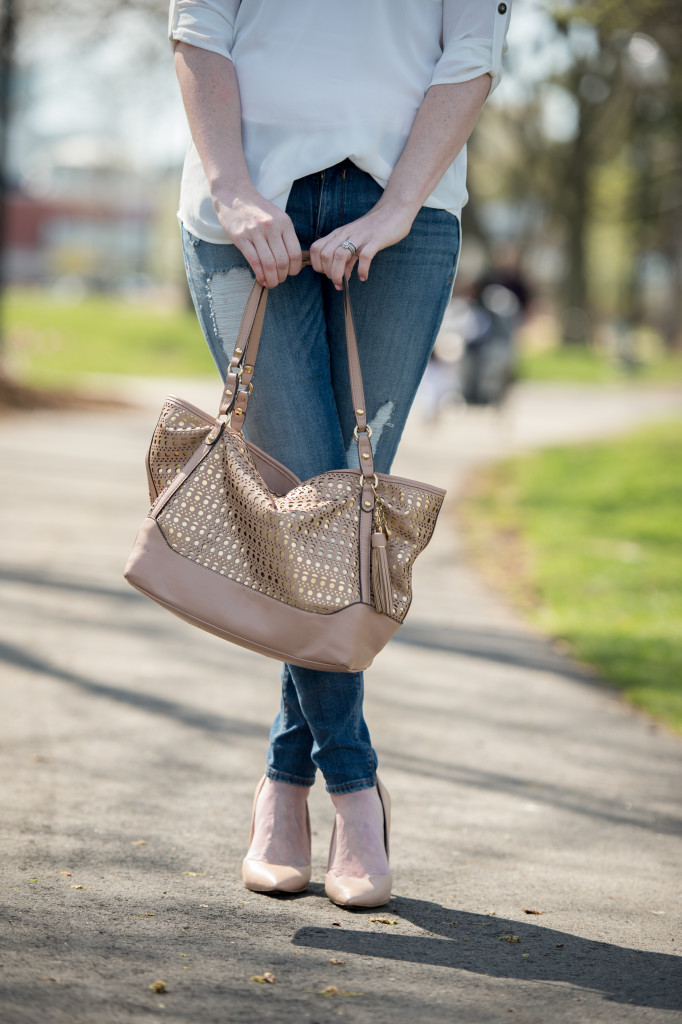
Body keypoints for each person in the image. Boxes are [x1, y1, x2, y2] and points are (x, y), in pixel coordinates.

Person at [169, 0, 511, 907]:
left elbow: (472, 50)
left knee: (337, 519)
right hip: (245, 207)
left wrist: (399, 205)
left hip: (406, 212)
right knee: (311, 516)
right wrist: (235, 188)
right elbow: (198, 30)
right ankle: (355, 792)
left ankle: (284, 784)